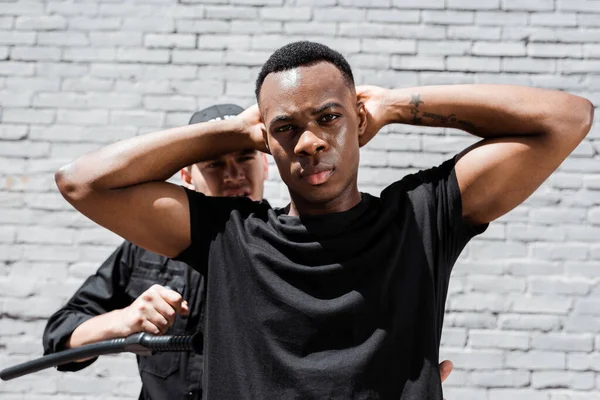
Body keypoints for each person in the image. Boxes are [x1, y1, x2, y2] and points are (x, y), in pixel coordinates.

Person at [52, 41, 593, 399]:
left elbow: (566, 119)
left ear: (358, 120)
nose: (309, 142)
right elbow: (83, 182)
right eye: (285, 128)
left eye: (330, 118)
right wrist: (238, 130)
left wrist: (400, 104)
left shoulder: (420, 217)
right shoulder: (229, 236)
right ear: (268, 140)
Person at [43, 104, 269, 400]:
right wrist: (124, 320)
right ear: (187, 176)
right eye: (214, 164)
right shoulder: (145, 248)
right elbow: (60, 336)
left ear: (265, 164)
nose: (233, 174)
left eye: (245, 157)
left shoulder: (285, 242)